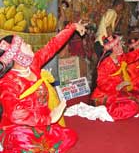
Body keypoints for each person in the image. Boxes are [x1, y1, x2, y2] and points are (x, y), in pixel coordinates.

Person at [0, 22, 86, 152]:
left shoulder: (34, 65)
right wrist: (50, 118)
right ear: (16, 55)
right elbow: (15, 114)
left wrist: (72, 27)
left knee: (70, 136)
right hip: (18, 129)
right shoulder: (8, 83)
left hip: (41, 125)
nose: (29, 45)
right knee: (32, 149)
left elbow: (53, 45)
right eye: (23, 43)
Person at [91, 35, 139, 121]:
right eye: (117, 45)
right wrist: (117, 86)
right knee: (130, 105)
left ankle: (131, 110)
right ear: (110, 49)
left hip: (116, 92)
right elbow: (101, 82)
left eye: (120, 44)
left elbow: (132, 56)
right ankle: (105, 111)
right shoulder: (105, 63)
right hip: (104, 95)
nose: (120, 47)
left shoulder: (120, 58)